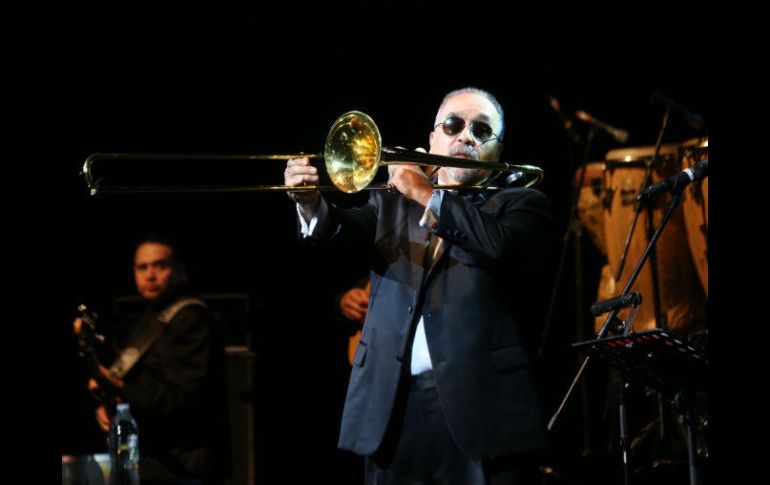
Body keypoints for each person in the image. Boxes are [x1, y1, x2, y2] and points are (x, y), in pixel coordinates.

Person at [284, 87, 552, 484]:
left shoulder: (521, 204)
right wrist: (310, 205)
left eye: (482, 131)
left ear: (498, 151)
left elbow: (499, 247)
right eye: (453, 125)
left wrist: (425, 193)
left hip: (480, 408)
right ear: (433, 139)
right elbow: (341, 233)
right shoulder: (391, 202)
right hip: (390, 409)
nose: (465, 137)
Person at [84, 235, 229, 485]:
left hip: (183, 465)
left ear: (180, 271)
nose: (150, 275)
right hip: (151, 462)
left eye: (159, 265)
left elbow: (181, 398)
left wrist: (119, 388)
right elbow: (140, 384)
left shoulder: (191, 319)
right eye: (142, 267)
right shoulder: (149, 320)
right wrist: (109, 405)